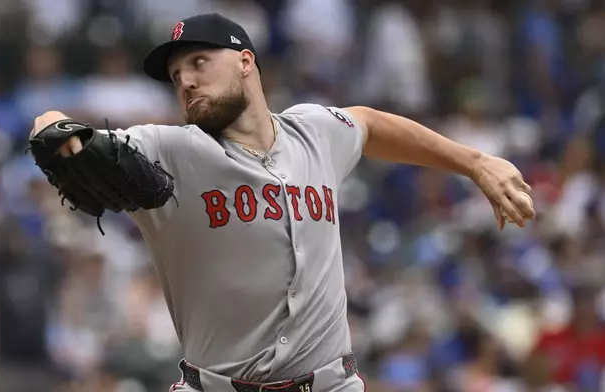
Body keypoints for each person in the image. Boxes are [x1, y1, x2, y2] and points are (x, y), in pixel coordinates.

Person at [28, 13, 535, 392]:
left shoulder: (314, 131)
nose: (185, 80)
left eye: (199, 62)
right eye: (176, 73)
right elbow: (58, 126)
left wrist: (473, 162)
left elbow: (372, 124)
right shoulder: (172, 150)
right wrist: (52, 127)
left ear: (246, 62)